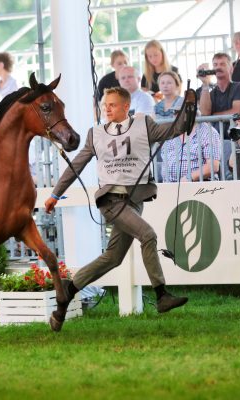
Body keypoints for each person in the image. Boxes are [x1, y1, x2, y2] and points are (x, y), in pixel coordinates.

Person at [45, 86, 189, 313]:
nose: (107, 109)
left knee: (114, 257)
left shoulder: (144, 124)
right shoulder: (96, 134)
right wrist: (55, 194)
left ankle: (69, 289)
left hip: (134, 201)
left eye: (112, 105)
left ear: (126, 106)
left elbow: (174, 130)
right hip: (111, 201)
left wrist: (189, 109)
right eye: (105, 105)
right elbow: (76, 167)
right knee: (148, 235)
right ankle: (161, 295)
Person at [197, 52, 240, 138]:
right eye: (215, 64)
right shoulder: (210, 93)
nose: (218, 67)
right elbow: (205, 114)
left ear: (231, 68)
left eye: (222, 64)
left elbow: (236, 112)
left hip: (236, 138)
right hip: (215, 140)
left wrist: (213, 116)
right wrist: (205, 83)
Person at [161, 117, 221, 182]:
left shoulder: (209, 132)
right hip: (169, 186)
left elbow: (213, 166)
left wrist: (189, 178)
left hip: (199, 184)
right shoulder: (170, 132)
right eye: (175, 112)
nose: (176, 115)